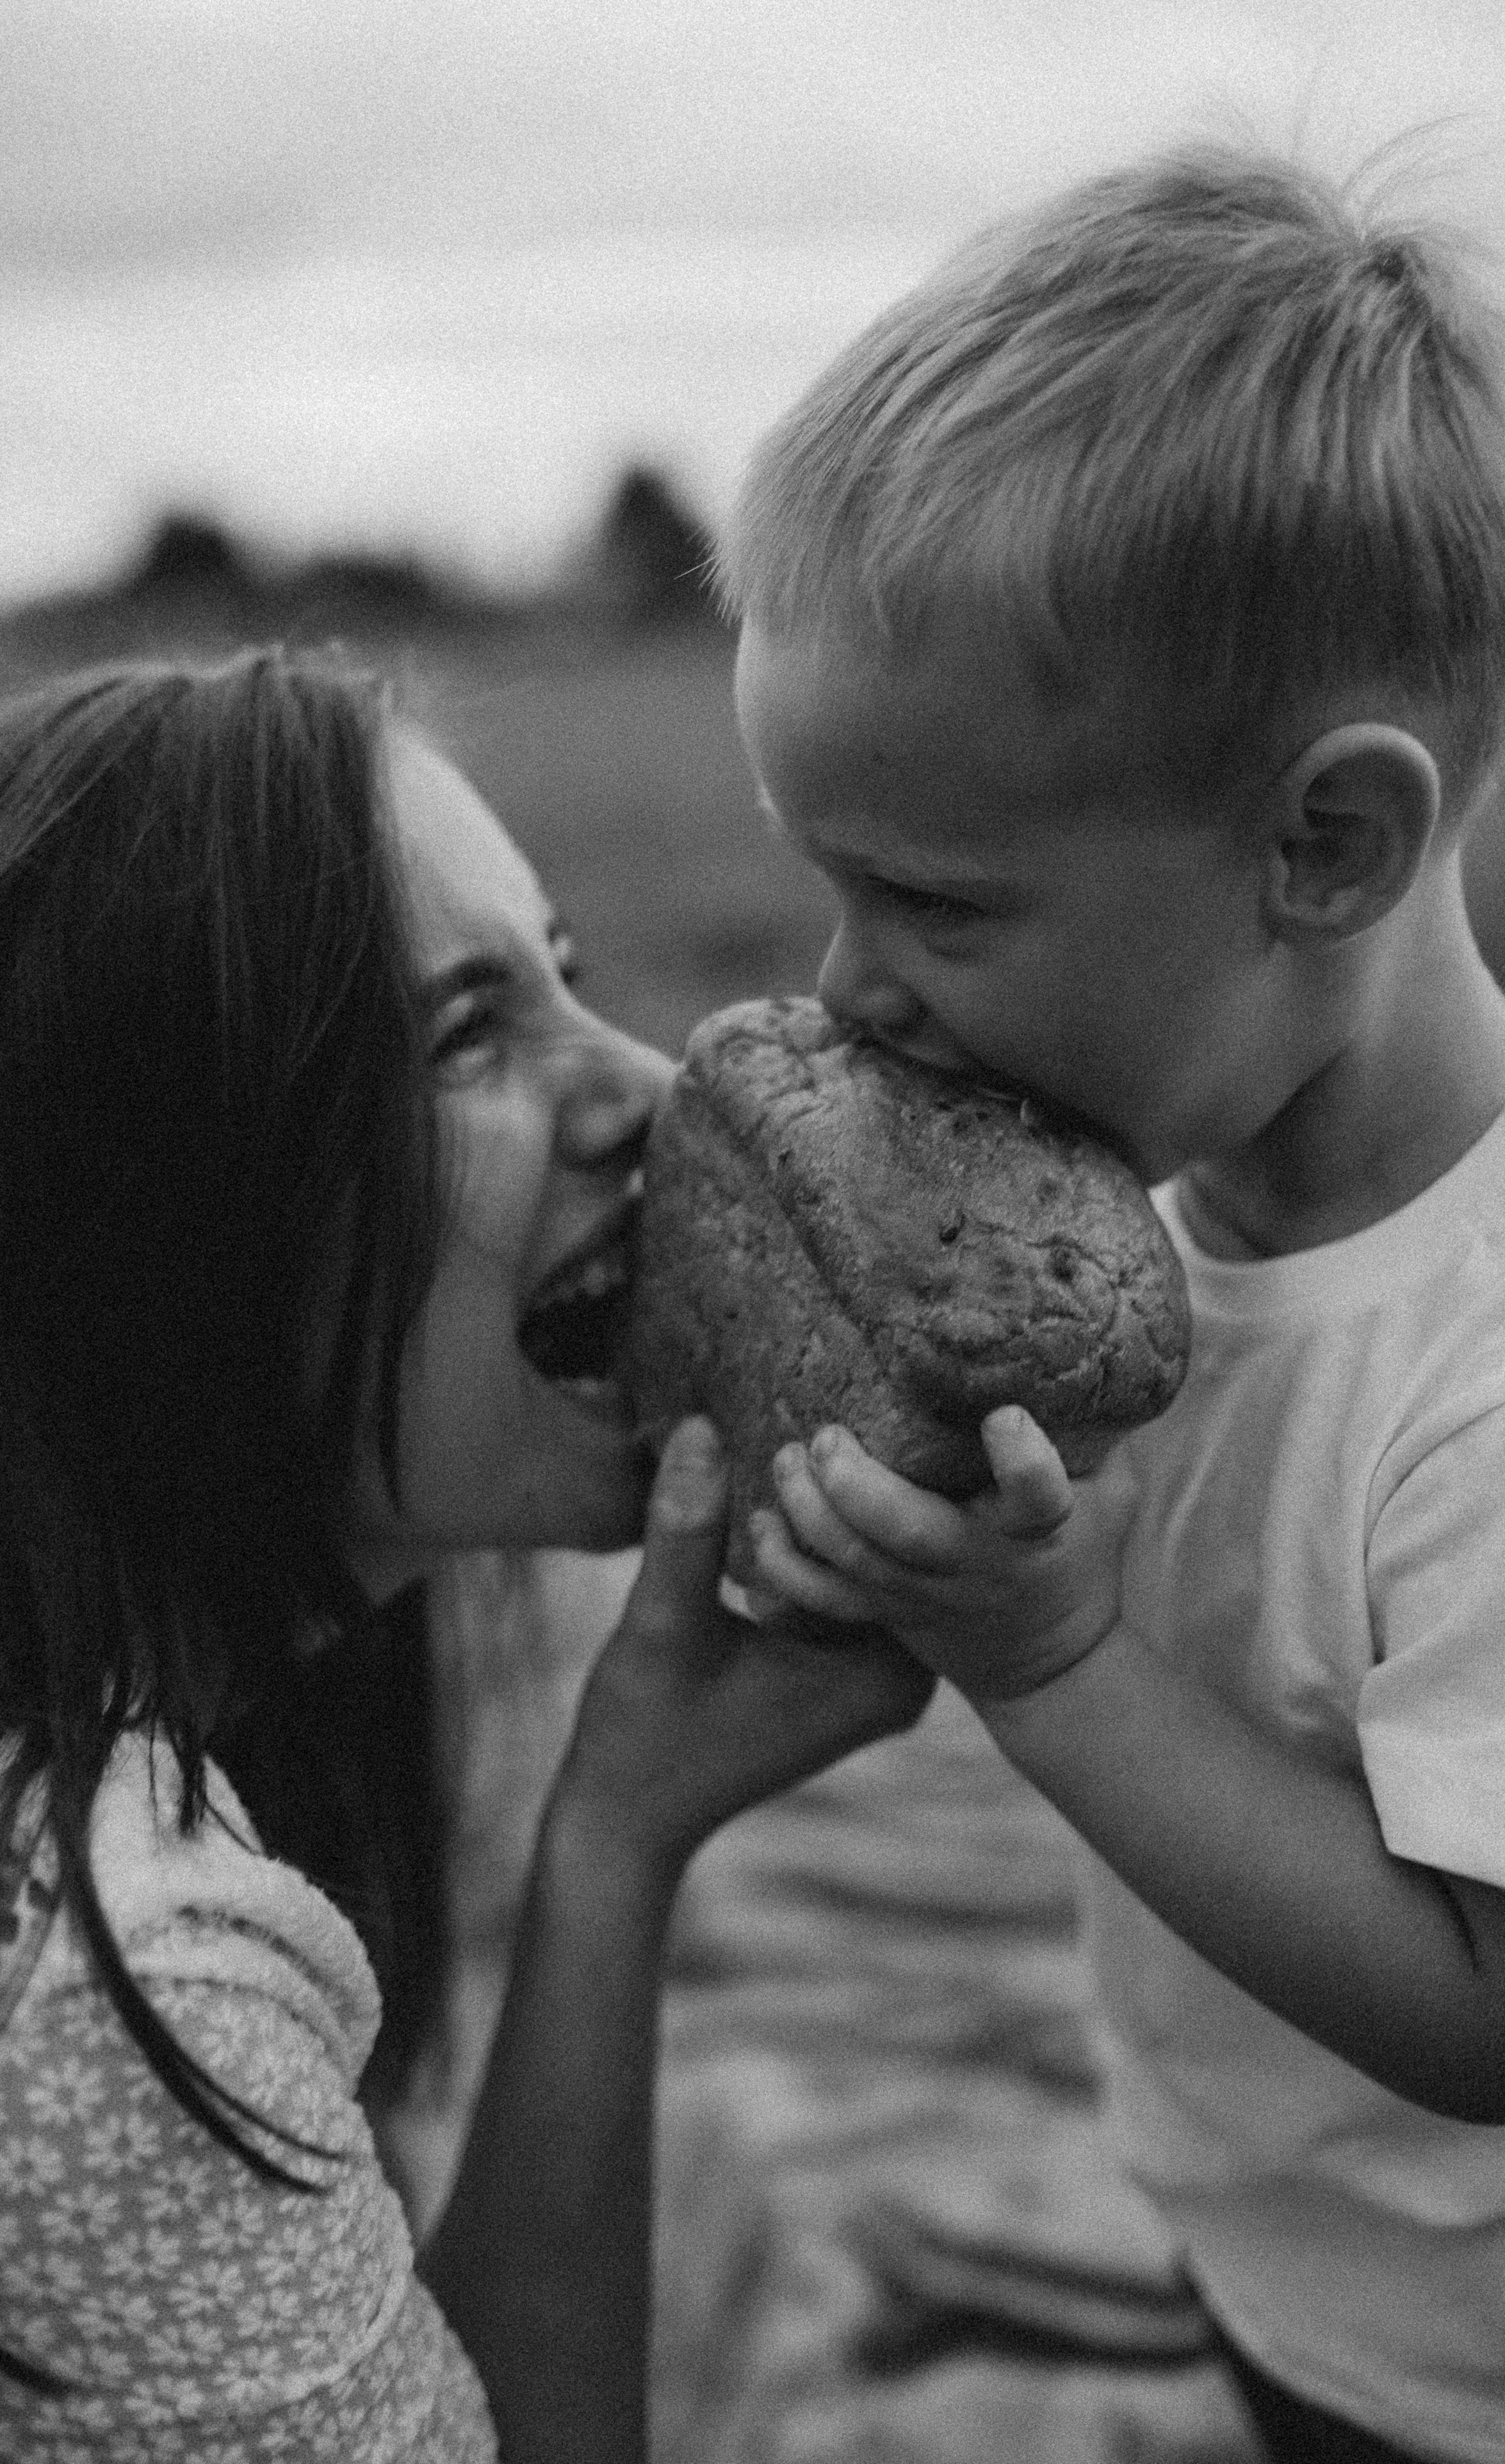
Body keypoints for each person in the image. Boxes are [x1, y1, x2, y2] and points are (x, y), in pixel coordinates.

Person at [0, 647, 932, 2463]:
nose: (665, 1089)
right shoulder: (94, 1985)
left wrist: (623, 1825)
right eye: (466, 1034)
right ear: (160, 1210)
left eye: (569, 982)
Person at [714, 145, 1505, 2464]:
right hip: (1271, 2244)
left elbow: (1483, 2019)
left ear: (1325, 848)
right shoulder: (1136, 1211)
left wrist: (1048, 1660)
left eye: (936, 905)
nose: (850, 991)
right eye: (825, 886)